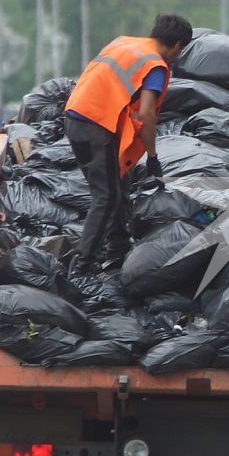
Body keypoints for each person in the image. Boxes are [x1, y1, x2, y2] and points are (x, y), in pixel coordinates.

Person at [63, 14, 193, 269]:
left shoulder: (124, 43)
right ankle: (85, 262)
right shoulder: (155, 66)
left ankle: (118, 247)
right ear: (177, 45)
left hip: (76, 116)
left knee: (118, 184)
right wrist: (153, 157)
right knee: (107, 196)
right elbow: (146, 113)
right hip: (96, 124)